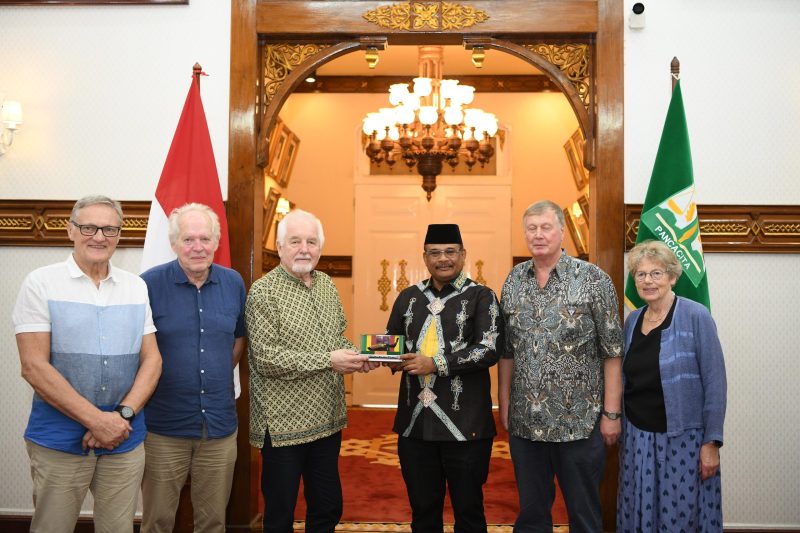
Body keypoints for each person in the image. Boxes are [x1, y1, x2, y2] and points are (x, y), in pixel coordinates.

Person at [12, 195, 162, 533]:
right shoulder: (41, 282)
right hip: (57, 438)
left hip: (125, 439)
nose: (99, 237)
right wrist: (97, 421)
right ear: (71, 231)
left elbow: (152, 359)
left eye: (109, 229)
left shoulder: (135, 286)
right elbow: (33, 366)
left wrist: (121, 417)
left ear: (119, 235)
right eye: (89, 227)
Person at [246, 209, 374, 533]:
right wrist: (329, 360)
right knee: (280, 514)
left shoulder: (327, 285)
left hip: (327, 421)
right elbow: (265, 358)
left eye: (312, 241)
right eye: (295, 241)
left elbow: (335, 338)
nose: (304, 248)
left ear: (320, 247)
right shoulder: (263, 292)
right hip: (282, 425)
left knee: (328, 507)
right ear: (279, 246)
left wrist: (359, 358)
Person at [498, 200, 623, 533]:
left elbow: (612, 352)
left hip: (579, 423)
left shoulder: (594, 280)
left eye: (546, 227)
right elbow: (507, 351)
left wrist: (611, 414)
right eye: (531, 228)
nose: (538, 235)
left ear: (562, 230)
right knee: (532, 515)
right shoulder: (514, 280)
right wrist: (505, 404)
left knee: (583, 515)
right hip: (526, 425)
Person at [384, 223, 504, 533]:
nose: (443, 259)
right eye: (435, 253)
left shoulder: (482, 296)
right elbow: (391, 341)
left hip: (466, 427)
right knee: (423, 511)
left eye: (450, 252)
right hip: (414, 425)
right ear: (424, 257)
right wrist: (373, 357)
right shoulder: (408, 296)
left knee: (469, 511)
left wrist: (434, 364)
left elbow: (488, 350)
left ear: (463, 255)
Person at [140, 203, 246, 533]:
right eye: (188, 239)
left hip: (219, 427)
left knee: (213, 522)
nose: (197, 247)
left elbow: (239, 337)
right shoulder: (148, 284)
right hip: (163, 428)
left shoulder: (233, 283)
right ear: (174, 243)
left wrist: (214, 372)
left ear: (216, 242)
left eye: (205, 238)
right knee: (157, 520)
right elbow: (137, 350)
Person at [617, 240, 726, 532]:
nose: (648, 281)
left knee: (680, 517)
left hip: (683, 441)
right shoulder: (632, 321)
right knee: (638, 512)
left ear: (672, 276)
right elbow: (626, 379)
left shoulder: (696, 316)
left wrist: (711, 443)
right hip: (638, 440)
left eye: (656, 273)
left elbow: (716, 382)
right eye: (640, 274)